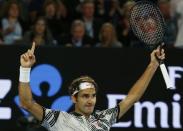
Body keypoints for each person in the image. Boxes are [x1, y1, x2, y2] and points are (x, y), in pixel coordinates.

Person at [18, 42, 165, 131]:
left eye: (93, 95)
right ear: (74, 98)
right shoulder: (58, 119)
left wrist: (153, 65)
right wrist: (25, 69)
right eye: (85, 96)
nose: (90, 100)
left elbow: (132, 97)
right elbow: (27, 103)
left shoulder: (105, 118)